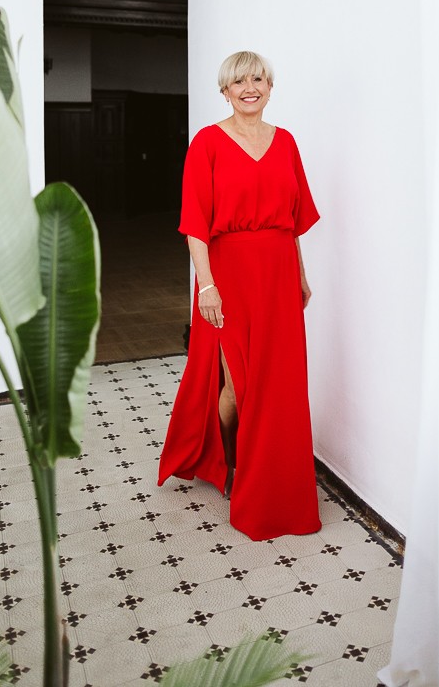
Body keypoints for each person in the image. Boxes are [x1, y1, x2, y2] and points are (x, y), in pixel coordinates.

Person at [158, 51, 321, 541]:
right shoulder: (207, 142)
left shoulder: (285, 142)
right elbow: (195, 224)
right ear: (225, 91)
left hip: (278, 273)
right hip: (227, 273)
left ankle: (271, 474)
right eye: (239, 81)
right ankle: (234, 463)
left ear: (270, 87)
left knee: (279, 381)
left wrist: (300, 275)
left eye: (258, 79)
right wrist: (206, 285)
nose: (250, 87)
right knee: (237, 382)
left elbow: (292, 221)